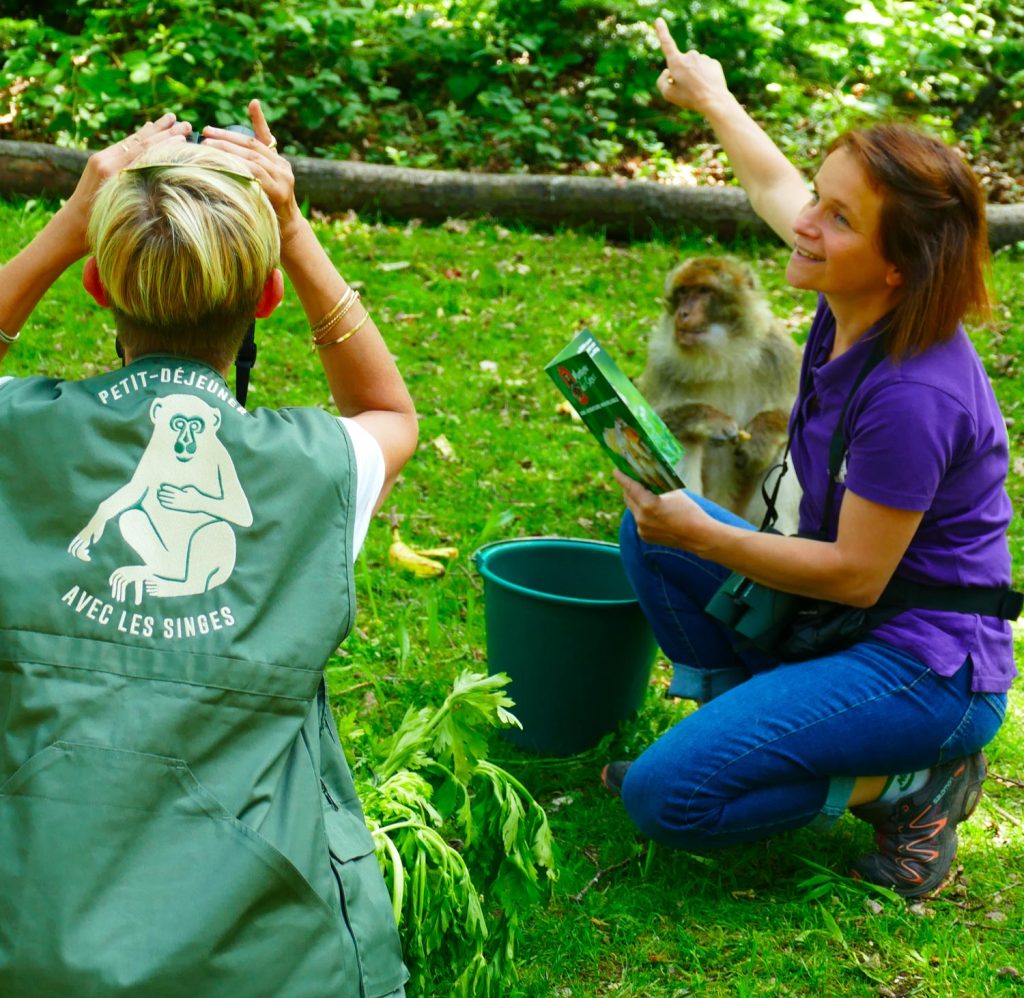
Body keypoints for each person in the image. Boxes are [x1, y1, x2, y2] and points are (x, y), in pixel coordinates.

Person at [0, 105, 416, 995]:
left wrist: (69, 227)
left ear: (99, 287)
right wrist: (296, 236)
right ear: (266, 298)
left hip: (25, 937)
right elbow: (389, 413)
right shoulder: (321, 466)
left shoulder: (14, 435)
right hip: (270, 956)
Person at [602, 18, 1017, 899]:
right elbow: (773, 186)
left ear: (898, 264)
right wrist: (712, 94)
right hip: (841, 622)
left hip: (920, 661)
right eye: (818, 201)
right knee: (653, 530)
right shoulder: (852, 291)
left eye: (837, 218)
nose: (806, 224)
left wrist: (710, 537)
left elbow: (858, 577)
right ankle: (741, 725)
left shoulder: (917, 393)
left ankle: (912, 783)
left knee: (666, 798)